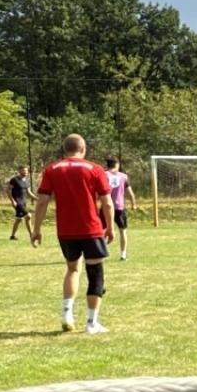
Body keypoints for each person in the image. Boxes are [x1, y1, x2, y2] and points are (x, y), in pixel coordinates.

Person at [30, 134, 114, 334]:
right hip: (91, 229)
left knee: (73, 269)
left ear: (64, 149)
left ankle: (67, 314)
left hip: (66, 230)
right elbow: (107, 202)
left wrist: (36, 229)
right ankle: (92, 323)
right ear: (83, 149)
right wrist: (110, 227)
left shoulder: (52, 169)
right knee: (95, 273)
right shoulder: (94, 169)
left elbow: (42, 201)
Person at [104, 158, 136, 260]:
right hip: (119, 207)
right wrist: (133, 204)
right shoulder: (123, 176)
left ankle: (101, 251)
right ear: (117, 164)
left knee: (102, 230)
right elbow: (130, 192)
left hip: (106, 206)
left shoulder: (104, 175)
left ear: (107, 165)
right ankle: (123, 254)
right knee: (122, 231)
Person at [6, 165, 33, 241]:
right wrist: (12, 201)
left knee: (19, 219)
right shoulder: (14, 180)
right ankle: (32, 235)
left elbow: (29, 192)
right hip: (17, 202)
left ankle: (12, 236)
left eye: (26, 170)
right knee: (28, 216)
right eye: (24, 170)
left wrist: (37, 199)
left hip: (23, 202)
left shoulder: (26, 181)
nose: (26, 172)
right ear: (19, 171)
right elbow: (8, 190)